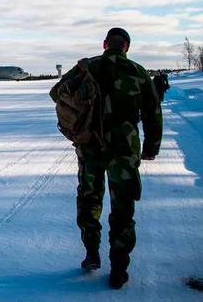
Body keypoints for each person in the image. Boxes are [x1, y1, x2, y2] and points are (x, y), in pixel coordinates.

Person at [50, 27, 162, 289]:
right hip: (124, 150)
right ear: (126, 47)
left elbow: (57, 93)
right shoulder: (137, 71)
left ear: (104, 44)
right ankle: (119, 268)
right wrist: (151, 146)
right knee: (123, 205)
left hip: (90, 147)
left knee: (89, 199)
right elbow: (153, 112)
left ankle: (91, 253)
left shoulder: (86, 67)